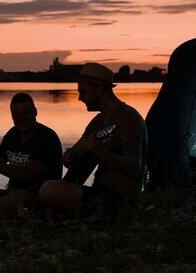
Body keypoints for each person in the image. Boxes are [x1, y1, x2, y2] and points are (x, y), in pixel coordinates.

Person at [39, 63, 147, 222]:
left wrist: (99, 151)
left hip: (121, 200)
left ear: (99, 89)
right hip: (98, 193)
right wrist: (69, 156)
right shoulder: (98, 121)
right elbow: (78, 150)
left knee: (48, 190)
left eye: (84, 92)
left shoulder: (129, 118)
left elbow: (135, 167)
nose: (80, 98)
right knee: (49, 192)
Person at [0, 92, 62, 217]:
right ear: (12, 116)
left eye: (26, 112)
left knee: (2, 205)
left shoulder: (47, 138)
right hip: (11, 192)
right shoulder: (12, 135)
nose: (22, 118)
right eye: (16, 114)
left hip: (39, 196)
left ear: (35, 112)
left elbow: (25, 175)